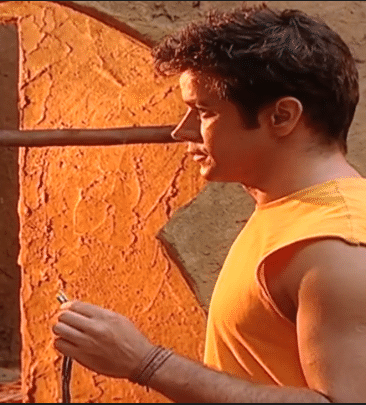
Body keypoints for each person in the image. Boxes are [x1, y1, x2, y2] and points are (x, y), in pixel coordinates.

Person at [53, 4, 366, 403]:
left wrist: (145, 362)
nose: (181, 131)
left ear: (282, 116)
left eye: (203, 112)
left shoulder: (336, 248)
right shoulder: (290, 211)